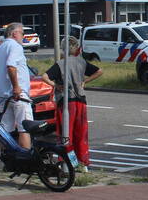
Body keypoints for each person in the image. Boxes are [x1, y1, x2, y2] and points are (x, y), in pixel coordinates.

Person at [42, 36, 103, 173]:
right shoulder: (82, 63)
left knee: (65, 134)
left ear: (63, 49)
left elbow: (44, 77)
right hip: (80, 101)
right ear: (76, 48)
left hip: (66, 102)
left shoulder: (60, 64)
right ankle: (83, 164)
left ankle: (67, 163)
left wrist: (56, 86)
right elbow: (99, 71)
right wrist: (85, 81)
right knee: (81, 134)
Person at [0, 22, 33, 152]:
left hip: (3, 95)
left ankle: (7, 159)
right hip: (17, 95)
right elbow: (11, 66)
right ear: (14, 33)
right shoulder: (15, 46)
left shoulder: (0, 49)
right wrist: (16, 87)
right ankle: (25, 160)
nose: (23, 37)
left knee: (6, 130)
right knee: (24, 127)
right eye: (22, 33)